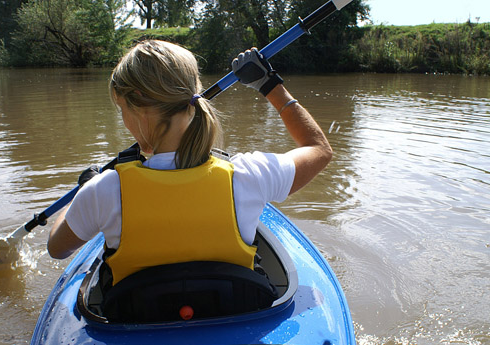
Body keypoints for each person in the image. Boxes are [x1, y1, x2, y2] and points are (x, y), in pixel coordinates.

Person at [47, 40, 332, 287]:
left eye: (122, 110)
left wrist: (85, 189)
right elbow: (319, 149)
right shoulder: (249, 175)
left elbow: (57, 248)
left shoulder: (103, 192)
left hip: (137, 317)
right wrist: (270, 85)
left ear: (137, 108)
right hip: (234, 310)